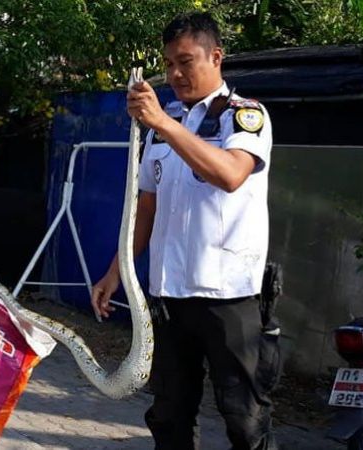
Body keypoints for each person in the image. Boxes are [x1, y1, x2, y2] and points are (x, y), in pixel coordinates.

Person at [91, 12, 277, 450]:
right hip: (170, 296)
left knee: (244, 420)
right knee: (169, 415)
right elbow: (147, 209)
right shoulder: (164, 127)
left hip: (229, 297)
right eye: (169, 63)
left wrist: (165, 125)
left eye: (186, 61)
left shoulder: (244, 117)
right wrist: (116, 271)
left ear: (216, 57)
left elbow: (231, 175)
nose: (174, 74)